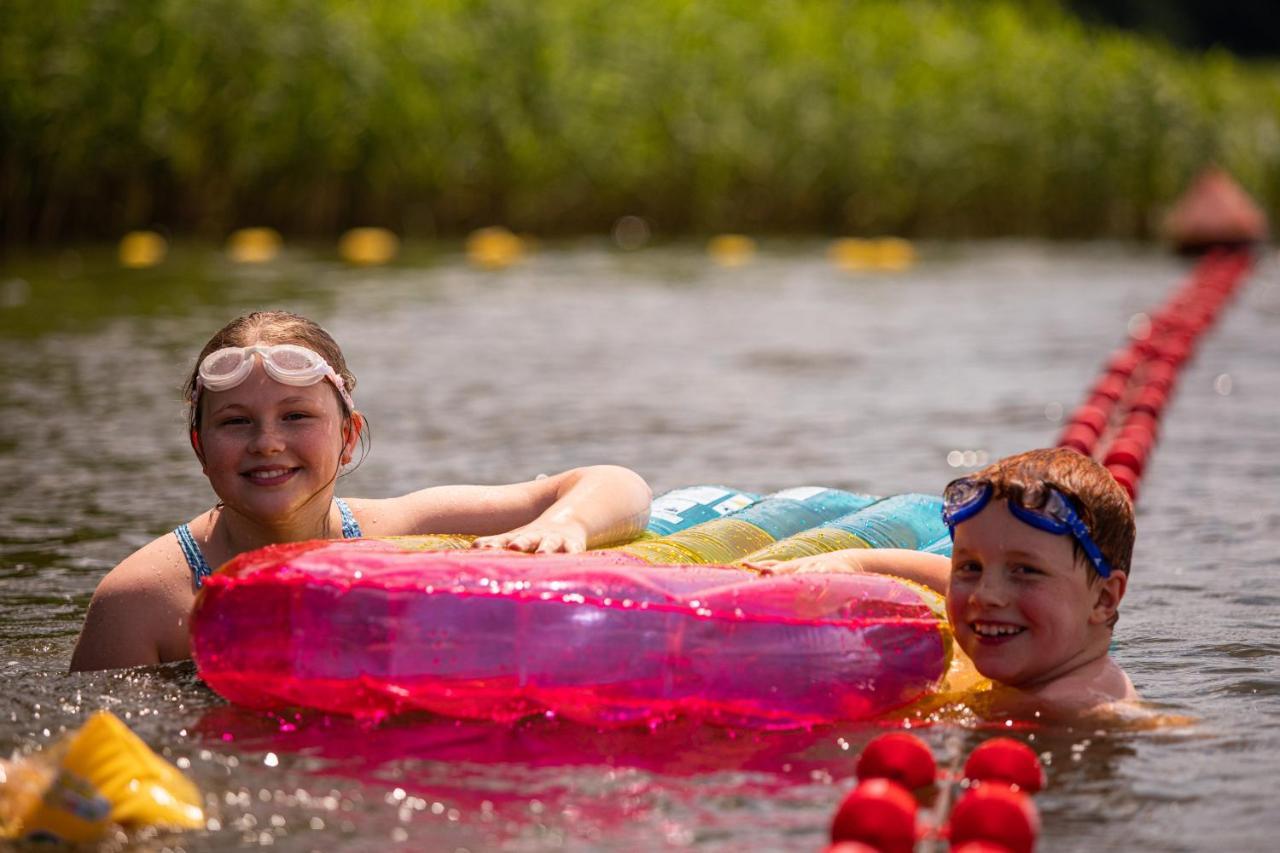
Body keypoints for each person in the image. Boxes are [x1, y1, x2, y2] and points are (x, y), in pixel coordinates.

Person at [70, 311, 651, 672]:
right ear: (200, 448)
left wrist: (565, 524)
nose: (267, 443)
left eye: (296, 416)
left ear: (349, 437)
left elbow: (617, 484)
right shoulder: (144, 602)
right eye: (236, 422)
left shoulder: (401, 530)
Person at [747, 448, 1136, 711]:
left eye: (1025, 571)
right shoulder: (1046, 652)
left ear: (1104, 599)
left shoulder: (1073, 708)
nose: (986, 595)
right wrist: (852, 562)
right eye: (971, 567)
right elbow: (938, 574)